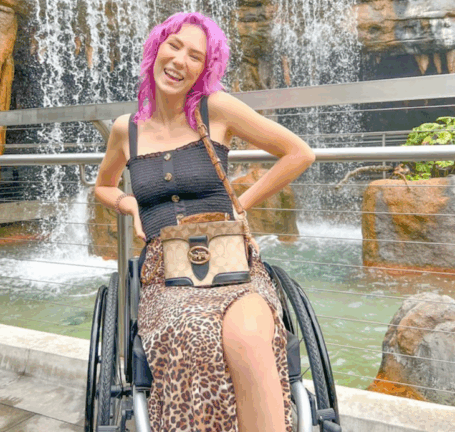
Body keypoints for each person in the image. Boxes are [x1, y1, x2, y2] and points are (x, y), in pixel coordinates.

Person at [94, 12, 315, 432]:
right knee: (194, 336)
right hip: (166, 274)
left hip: (233, 266)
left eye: (195, 56)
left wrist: (241, 204)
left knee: (251, 336)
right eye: (173, 46)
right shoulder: (127, 130)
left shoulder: (216, 109)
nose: (180, 60)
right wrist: (130, 205)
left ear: (205, 69)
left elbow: (299, 152)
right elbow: (103, 186)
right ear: (156, 49)